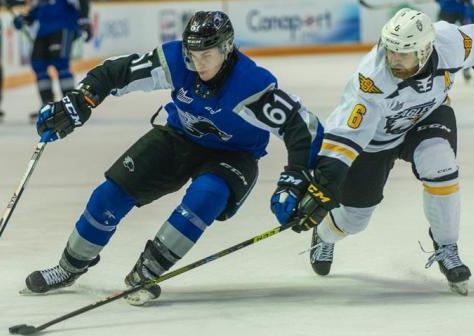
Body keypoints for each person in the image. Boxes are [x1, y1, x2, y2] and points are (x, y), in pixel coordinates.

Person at [23, 11, 323, 306]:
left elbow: (303, 128)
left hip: (234, 154)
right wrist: (82, 98)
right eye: (192, 54)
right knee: (108, 196)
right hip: (178, 137)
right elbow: (118, 72)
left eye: (206, 55)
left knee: (206, 197)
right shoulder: (177, 61)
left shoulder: (250, 84)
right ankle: (69, 267)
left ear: (226, 48)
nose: (197, 63)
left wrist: (295, 178)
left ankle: (146, 272)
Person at [271, 8, 474, 295]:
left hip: (428, 116)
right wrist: (324, 185)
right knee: (354, 220)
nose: (393, 59)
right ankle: (324, 235)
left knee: (441, 164)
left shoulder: (449, 42)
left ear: (425, 50)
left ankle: (447, 247)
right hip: (375, 141)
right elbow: (344, 139)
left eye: (404, 53)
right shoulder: (370, 81)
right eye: (391, 50)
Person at [12, 0, 92, 123]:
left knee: (61, 64)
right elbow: (38, 8)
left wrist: (84, 20)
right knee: (38, 64)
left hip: (63, 26)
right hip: (43, 30)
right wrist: (26, 18)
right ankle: (47, 105)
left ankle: (71, 106)